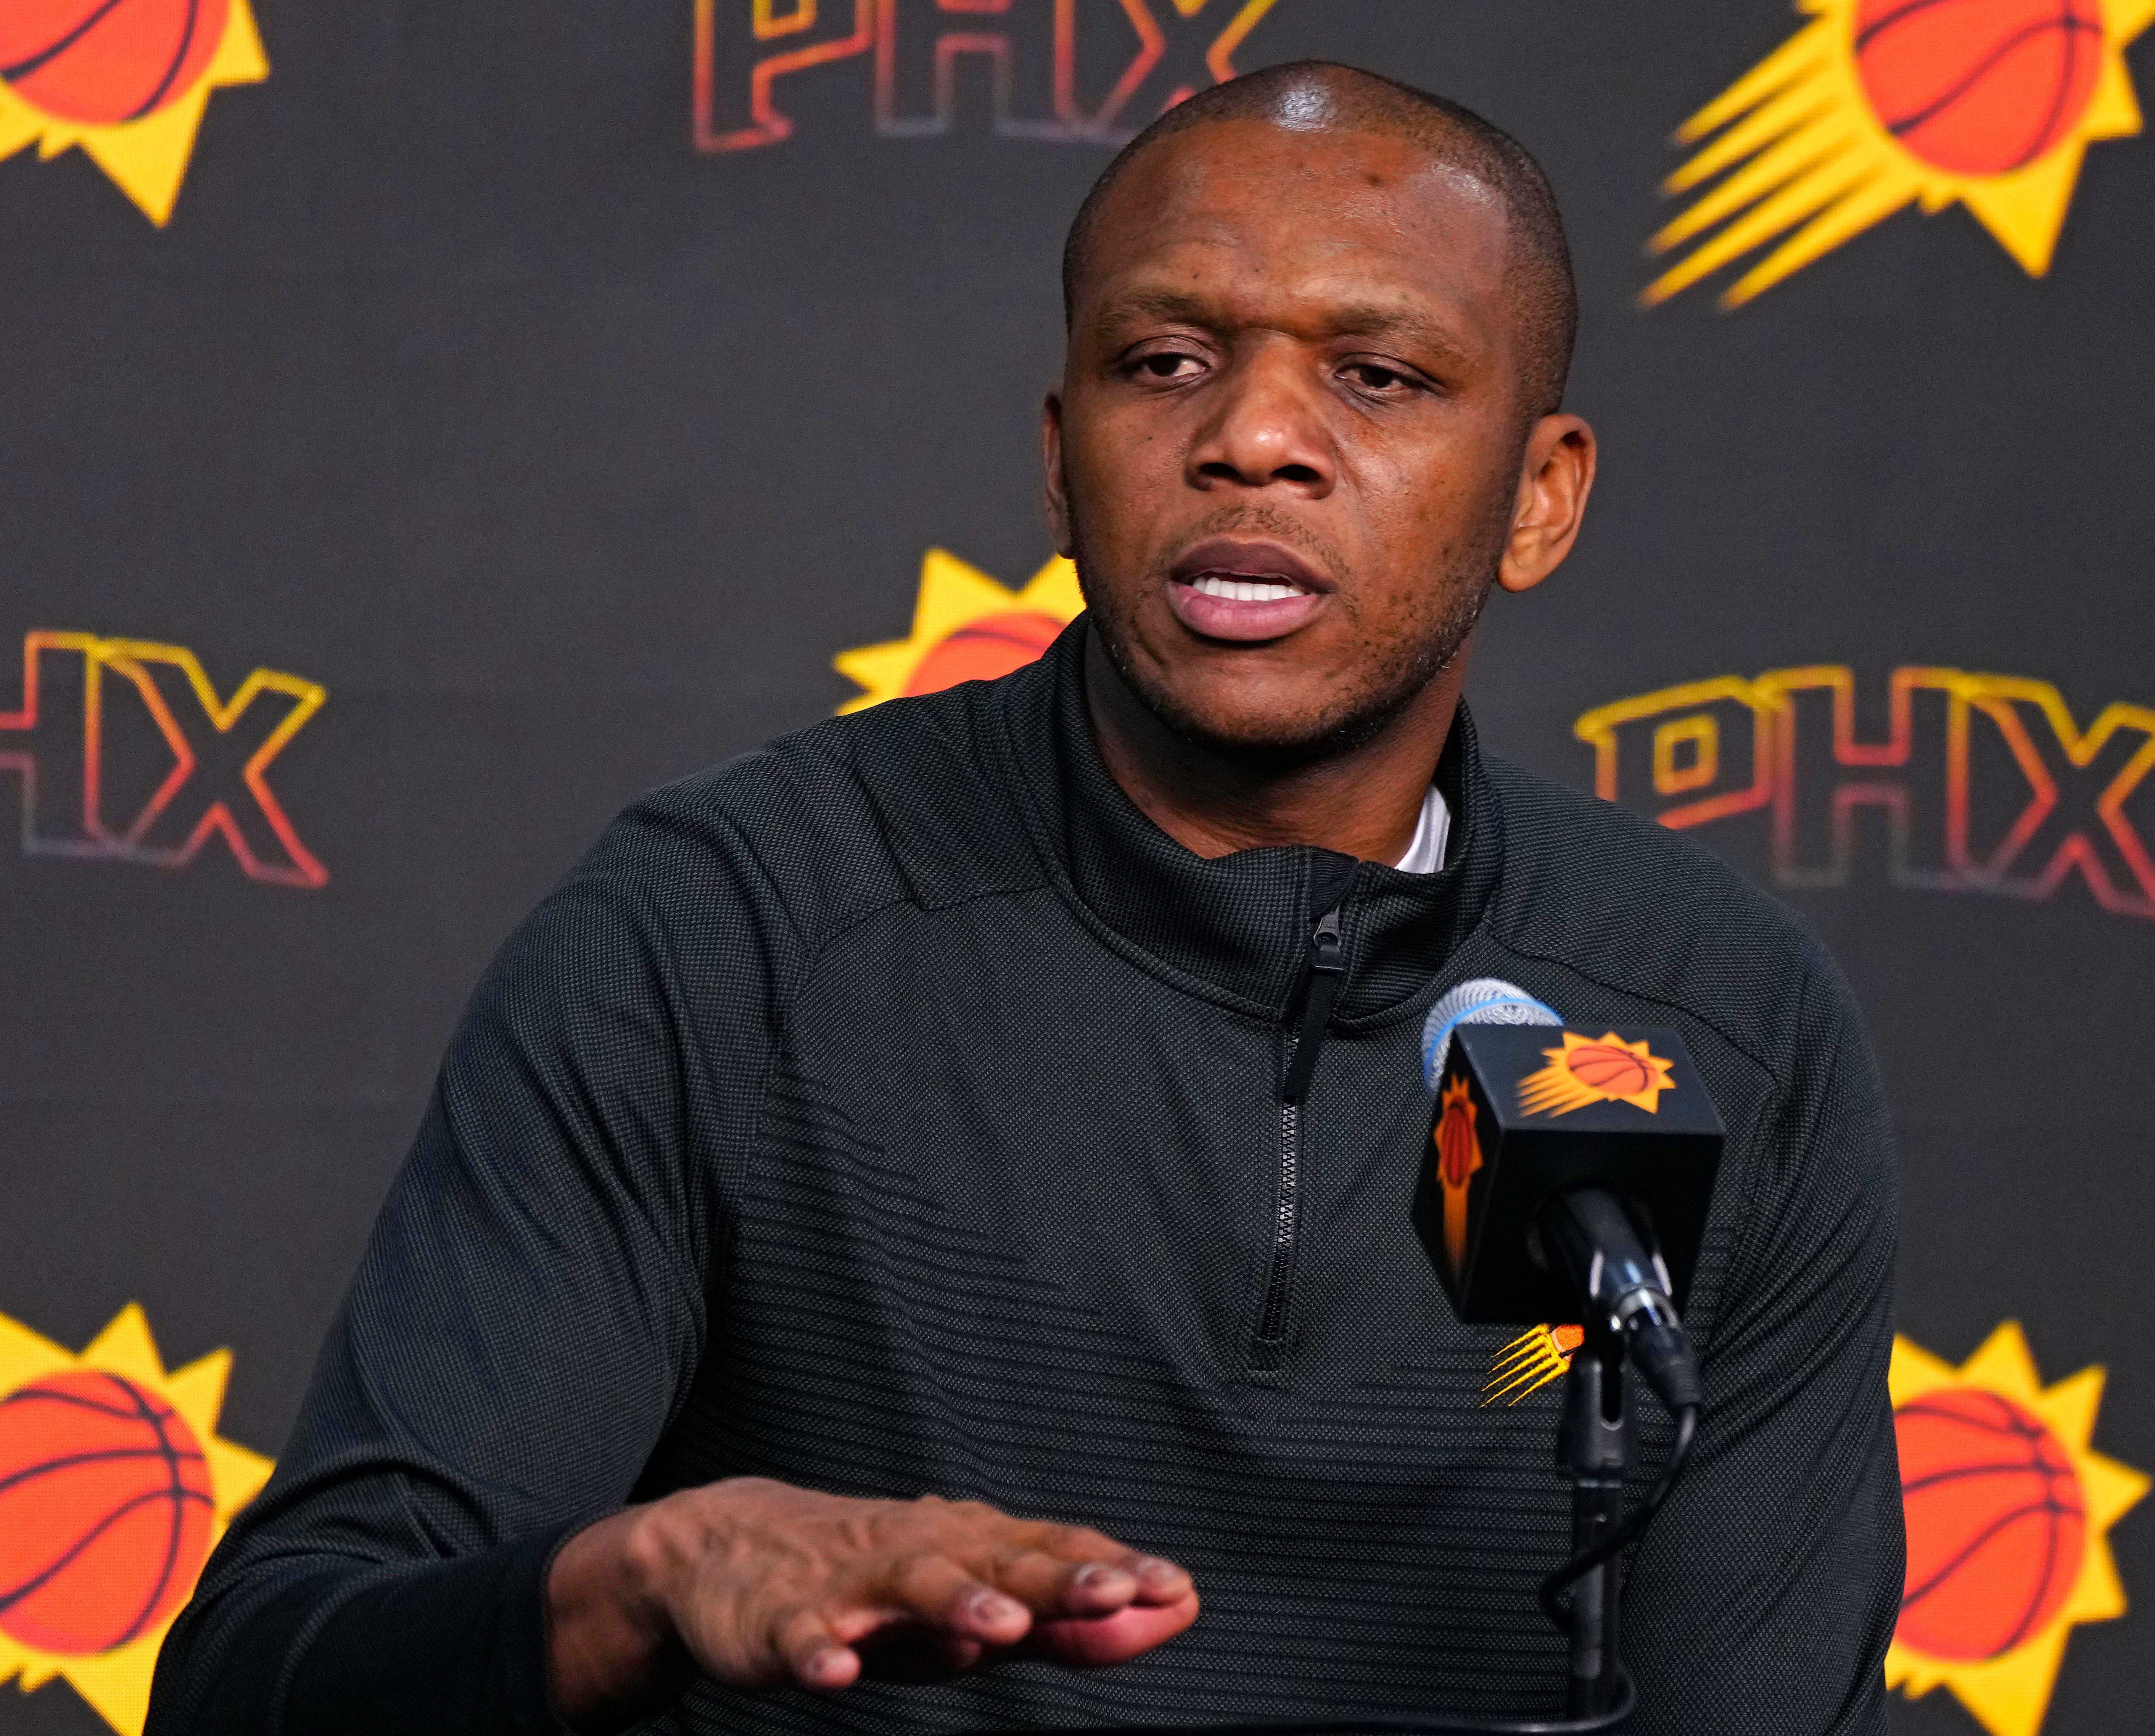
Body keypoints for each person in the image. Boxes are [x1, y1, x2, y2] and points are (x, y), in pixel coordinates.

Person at [151, 60, 1900, 1736]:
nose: (1252, 437)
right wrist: (643, 1577)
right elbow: (258, 1686)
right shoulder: (721, 934)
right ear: (1062, 458)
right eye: (1166, 359)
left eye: (1375, 375)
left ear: (1540, 497)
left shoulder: (1717, 1018)